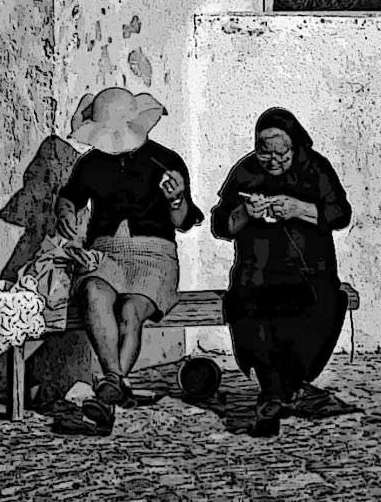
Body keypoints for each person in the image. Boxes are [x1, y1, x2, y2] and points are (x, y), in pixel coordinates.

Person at [55, 87, 203, 431]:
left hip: (154, 255)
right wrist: (64, 210)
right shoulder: (90, 163)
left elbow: (183, 223)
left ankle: (106, 393)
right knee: (93, 291)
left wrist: (177, 200)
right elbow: (70, 197)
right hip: (106, 253)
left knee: (130, 310)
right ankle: (114, 382)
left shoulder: (166, 161)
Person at [210, 107, 352, 437]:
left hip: (309, 276)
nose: (272, 161)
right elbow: (220, 224)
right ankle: (278, 394)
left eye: (281, 153)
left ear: (295, 146)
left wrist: (299, 208)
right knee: (250, 309)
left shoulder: (314, 168)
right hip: (256, 275)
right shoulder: (245, 170)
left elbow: (340, 213)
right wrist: (244, 213)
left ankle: (275, 395)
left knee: (322, 307)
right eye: (264, 151)